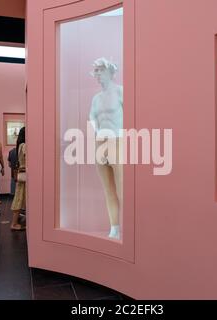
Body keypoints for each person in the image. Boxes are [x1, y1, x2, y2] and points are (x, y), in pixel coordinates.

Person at [89, 58, 123, 240]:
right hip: (101, 142)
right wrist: (99, 133)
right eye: (96, 71)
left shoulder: (120, 92)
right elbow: (92, 118)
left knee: (123, 189)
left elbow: (132, 114)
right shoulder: (96, 98)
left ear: (110, 71)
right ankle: (115, 226)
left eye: (101, 70)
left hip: (118, 140)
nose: (98, 74)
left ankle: (129, 226)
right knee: (108, 190)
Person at [10, 127, 26, 231]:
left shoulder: (20, 145)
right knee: (19, 199)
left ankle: (15, 223)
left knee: (19, 198)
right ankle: (14, 223)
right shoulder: (25, 146)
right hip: (26, 175)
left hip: (23, 174)